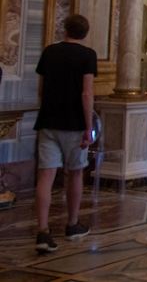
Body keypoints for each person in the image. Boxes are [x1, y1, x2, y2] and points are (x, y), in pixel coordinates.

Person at [33, 14, 97, 253]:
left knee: (46, 176)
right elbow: (86, 94)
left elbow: (41, 88)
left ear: (65, 29)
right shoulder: (87, 56)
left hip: (48, 120)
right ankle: (72, 224)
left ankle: (42, 231)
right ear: (85, 32)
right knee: (76, 174)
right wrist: (89, 126)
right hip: (74, 123)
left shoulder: (49, 52)